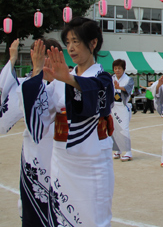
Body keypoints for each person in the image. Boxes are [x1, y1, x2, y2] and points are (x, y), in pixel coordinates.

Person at [21, 17, 115, 226]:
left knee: (93, 217)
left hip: (92, 161)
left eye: (76, 41)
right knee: (61, 215)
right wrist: (38, 75)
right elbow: (43, 114)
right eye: (68, 43)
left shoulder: (103, 77)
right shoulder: (62, 77)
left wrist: (69, 80)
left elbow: (101, 99)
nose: (71, 48)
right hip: (62, 159)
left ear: (93, 43)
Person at [0, 38, 62, 226]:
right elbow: (4, 93)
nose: (43, 61)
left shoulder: (67, 83)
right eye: (38, 56)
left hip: (62, 151)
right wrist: (11, 60)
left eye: (47, 55)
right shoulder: (26, 84)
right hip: (35, 152)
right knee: (33, 203)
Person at [111, 59, 135, 161]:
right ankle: (118, 150)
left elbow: (128, 88)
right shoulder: (111, 78)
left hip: (123, 106)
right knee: (115, 129)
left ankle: (128, 151)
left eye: (119, 68)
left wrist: (119, 87)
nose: (117, 70)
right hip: (113, 106)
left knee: (124, 128)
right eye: (115, 68)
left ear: (124, 69)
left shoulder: (129, 79)